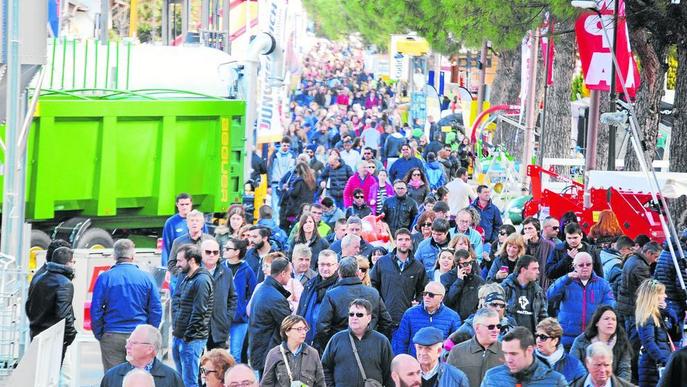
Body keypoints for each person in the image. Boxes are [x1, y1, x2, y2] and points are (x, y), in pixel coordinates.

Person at [91, 239, 163, 372]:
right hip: (139, 335)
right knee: (140, 377)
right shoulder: (146, 278)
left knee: (114, 379)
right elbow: (156, 309)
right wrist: (149, 333)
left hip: (112, 335)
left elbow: (96, 309)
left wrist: (100, 333)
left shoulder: (105, 278)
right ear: (133, 256)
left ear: (114, 256)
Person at [316, 257, 393, 350]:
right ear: (357, 272)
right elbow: (386, 322)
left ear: (339, 273)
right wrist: (376, 343)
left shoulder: (331, 295)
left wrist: (331, 348)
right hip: (369, 348)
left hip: (341, 348)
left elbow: (322, 327)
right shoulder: (373, 293)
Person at [546, 251, 616, 349]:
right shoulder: (566, 281)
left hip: (592, 339)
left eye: (588, 264)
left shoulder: (603, 284)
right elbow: (550, 296)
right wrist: (565, 279)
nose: (585, 267)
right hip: (567, 339)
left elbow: (610, 309)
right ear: (574, 266)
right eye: (581, 265)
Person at [321, 299, 394, 387]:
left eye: (359, 315)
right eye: (351, 314)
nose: (354, 317)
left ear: (369, 318)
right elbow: (324, 368)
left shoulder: (382, 341)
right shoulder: (336, 339)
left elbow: (390, 374)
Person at [171, 245, 214, 387]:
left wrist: (187, 337)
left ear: (191, 261)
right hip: (180, 336)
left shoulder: (201, 280)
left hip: (191, 340)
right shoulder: (187, 278)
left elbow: (199, 313)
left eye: (180, 261)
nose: (177, 264)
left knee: (190, 382)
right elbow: (180, 304)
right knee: (182, 380)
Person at [25, 246, 76, 363]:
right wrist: (70, 336)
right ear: (68, 263)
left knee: (39, 374)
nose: (74, 265)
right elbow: (63, 314)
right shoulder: (65, 283)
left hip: (36, 332)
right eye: (73, 262)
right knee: (52, 376)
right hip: (54, 338)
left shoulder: (39, 278)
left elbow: (29, 306)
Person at [370, 228, 428, 329]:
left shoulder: (418, 267)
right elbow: (372, 284)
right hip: (384, 317)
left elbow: (423, 290)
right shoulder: (382, 262)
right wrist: (379, 303)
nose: (403, 242)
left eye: (406, 239)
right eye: (400, 239)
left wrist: (417, 302)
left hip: (406, 318)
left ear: (411, 242)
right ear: (395, 242)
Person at [248, 257, 294, 375]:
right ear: (283, 273)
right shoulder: (276, 298)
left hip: (261, 351)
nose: (291, 277)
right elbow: (289, 327)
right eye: (290, 273)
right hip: (270, 354)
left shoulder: (262, 289)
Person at [391, 281, 462, 356]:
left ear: (441, 298)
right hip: (414, 362)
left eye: (431, 295)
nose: (427, 297)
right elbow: (401, 342)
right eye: (425, 294)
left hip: (439, 364)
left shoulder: (453, 317)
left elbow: (456, 345)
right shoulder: (410, 314)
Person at [100, 324, 183, 387]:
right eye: (128, 342)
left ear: (150, 349)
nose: (127, 346)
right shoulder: (111, 376)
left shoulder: (171, 378)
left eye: (133, 343)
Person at [481, 327, 567, 386]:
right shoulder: (491, 377)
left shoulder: (556, 381)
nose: (508, 359)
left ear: (529, 350)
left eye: (513, 354)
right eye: (506, 353)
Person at [569, 305, 633, 381]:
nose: (610, 322)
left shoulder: (622, 342)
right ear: (596, 323)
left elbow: (625, 371)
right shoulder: (581, 341)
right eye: (606, 319)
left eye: (613, 319)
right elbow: (573, 367)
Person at [261, 315, 326, 387]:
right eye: (299, 329)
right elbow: (266, 384)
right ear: (287, 331)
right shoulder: (274, 354)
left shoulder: (313, 353)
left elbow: (320, 383)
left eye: (305, 329)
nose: (303, 332)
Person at [447, 308, 505, 387]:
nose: (496, 330)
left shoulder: (506, 352)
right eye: (491, 327)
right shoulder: (457, 352)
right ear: (477, 328)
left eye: (498, 326)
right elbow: (447, 382)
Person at [636, 279, 678, 387]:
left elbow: (675, 334)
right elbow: (649, 343)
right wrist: (664, 361)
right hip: (652, 369)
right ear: (653, 296)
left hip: (659, 366)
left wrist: (669, 312)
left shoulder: (660, 315)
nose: (665, 296)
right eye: (662, 293)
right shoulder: (647, 317)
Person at [222, 237, 257, 363]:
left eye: (228, 248)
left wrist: (244, 309)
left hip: (240, 319)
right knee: (216, 353)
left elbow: (253, 293)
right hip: (221, 317)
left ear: (237, 252)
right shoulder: (221, 267)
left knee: (235, 354)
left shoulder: (247, 270)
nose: (224, 250)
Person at [296, 250, 339, 349]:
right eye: (322, 264)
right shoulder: (310, 284)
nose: (325, 268)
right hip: (306, 341)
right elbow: (300, 311)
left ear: (336, 266)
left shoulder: (340, 287)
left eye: (329, 265)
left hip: (328, 344)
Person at [446, 290, 518, 348]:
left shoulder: (510, 328)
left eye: (502, 305)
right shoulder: (471, 325)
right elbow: (448, 345)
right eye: (494, 304)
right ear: (485, 306)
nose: (498, 308)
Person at [201, 239, 238, 350]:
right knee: (199, 365)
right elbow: (179, 298)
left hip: (219, 329)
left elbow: (233, 298)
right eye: (208, 252)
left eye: (215, 252)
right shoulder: (191, 271)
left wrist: (227, 319)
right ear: (201, 253)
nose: (212, 255)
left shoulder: (226, 272)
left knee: (218, 364)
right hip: (197, 329)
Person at [502, 255, 548, 334]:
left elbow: (543, 317)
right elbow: (501, 314)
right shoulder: (505, 288)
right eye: (534, 269)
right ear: (523, 270)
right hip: (510, 338)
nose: (538, 272)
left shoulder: (538, 291)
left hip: (531, 340)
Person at [533, 318, 586, 384]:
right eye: (537, 336)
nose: (538, 340)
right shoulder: (527, 360)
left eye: (543, 337)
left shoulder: (574, 365)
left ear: (555, 341)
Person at [441, 249, 484, 321]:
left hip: (471, 320)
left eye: (471, 262)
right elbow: (447, 301)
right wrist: (459, 281)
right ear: (457, 265)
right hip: (453, 320)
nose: (469, 266)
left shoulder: (478, 280)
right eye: (465, 264)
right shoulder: (446, 278)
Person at [167, 209, 214, 275]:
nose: (194, 223)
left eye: (197, 221)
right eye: (192, 220)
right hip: (185, 280)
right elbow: (171, 263)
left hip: (206, 278)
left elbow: (217, 260)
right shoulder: (178, 242)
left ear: (202, 224)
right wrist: (181, 275)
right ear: (187, 224)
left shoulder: (210, 241)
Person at [162, 193, 201, 267]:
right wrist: (165, 267)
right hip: (179, 265)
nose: (184, 207)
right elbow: (166, 247)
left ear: (191, 204)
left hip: (196, 264)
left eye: (187, 204)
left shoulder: (198, 221)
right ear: (177, 204)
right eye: (182, 204)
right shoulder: (171, 223)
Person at [279, 162, 317, 229]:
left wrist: (287, 189)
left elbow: (294, 193)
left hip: (296, 209)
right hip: (307, 207)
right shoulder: (312, 181)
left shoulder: (299, 181)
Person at [268, 136, 297, 224]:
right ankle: (275, 223)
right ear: (281, 144)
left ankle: (281, 223)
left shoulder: (292, 155)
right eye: (284, 145)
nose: (286, 147)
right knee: (275, 205)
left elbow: (292, 171)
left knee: (284, 205)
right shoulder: (275, 154)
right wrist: (269, 184)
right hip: (275, 182)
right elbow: (270, 169)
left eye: (288, 146)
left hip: (286, 184)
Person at [521, 217, 555, 290]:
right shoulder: (521, 245)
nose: (527, 231)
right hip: (527, 284)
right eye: (525, 229)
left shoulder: (549, 245)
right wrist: (523, 246)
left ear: (538, 230)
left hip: (544, 284)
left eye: (530, 228)